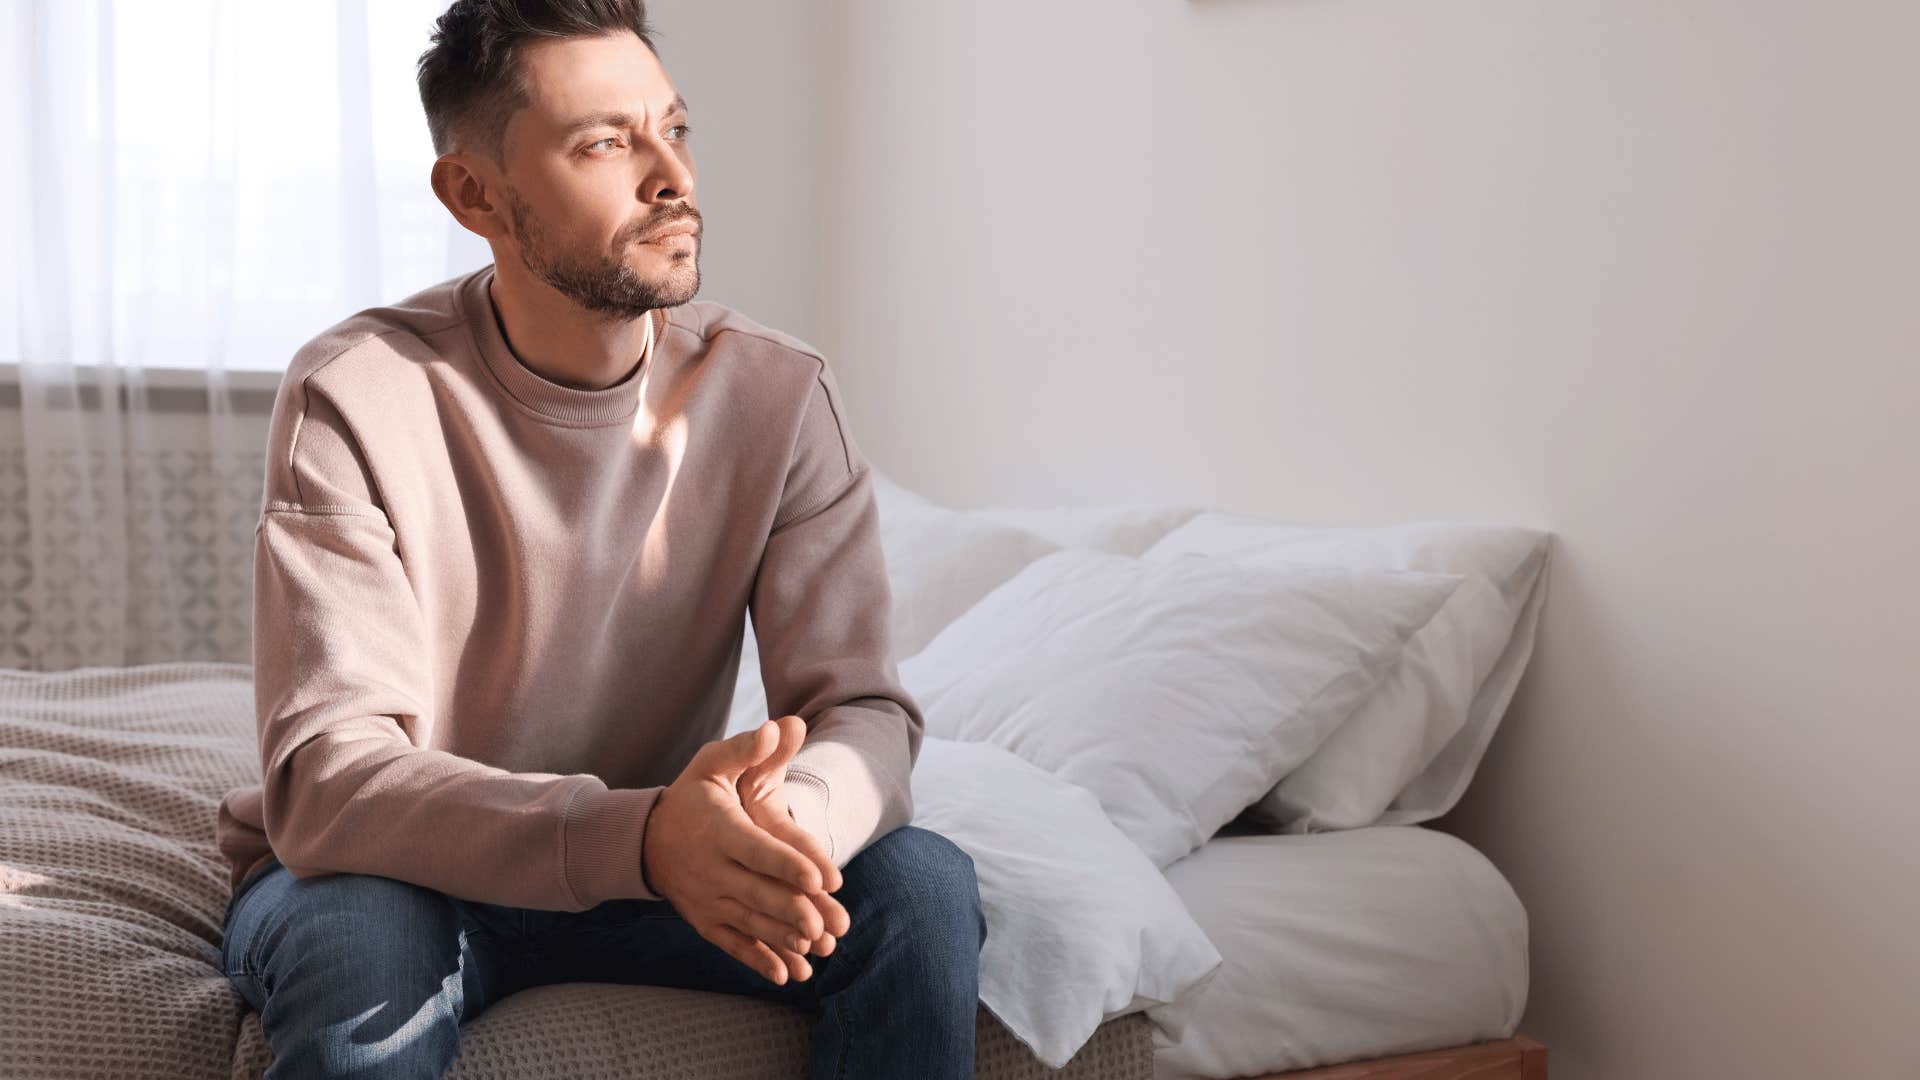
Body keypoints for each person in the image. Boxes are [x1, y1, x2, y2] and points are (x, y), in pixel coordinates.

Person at [213, 1, 985, 1076]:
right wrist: (643, 836)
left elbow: (859, 709)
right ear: (475, 195)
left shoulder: (778, 395)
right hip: (406, 872)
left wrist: (790, 826)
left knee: (925, 889)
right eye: (606, 143)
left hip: (654, 873)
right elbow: (329, 784)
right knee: (361, 944)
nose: (671, 175)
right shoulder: (361, 390)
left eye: (674, 128)